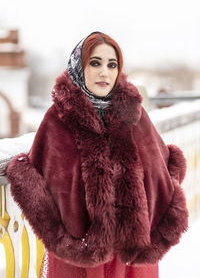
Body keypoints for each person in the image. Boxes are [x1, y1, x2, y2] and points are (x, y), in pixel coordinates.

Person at [7, 32, 188, 278]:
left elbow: (163, 167)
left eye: (111, 65)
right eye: (95, 63)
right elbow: (36, 181)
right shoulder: (58, 118)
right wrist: (60, 236)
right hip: (80, 254)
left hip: (132, 255)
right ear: (79, 67)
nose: (104, 72)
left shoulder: (134, 114)